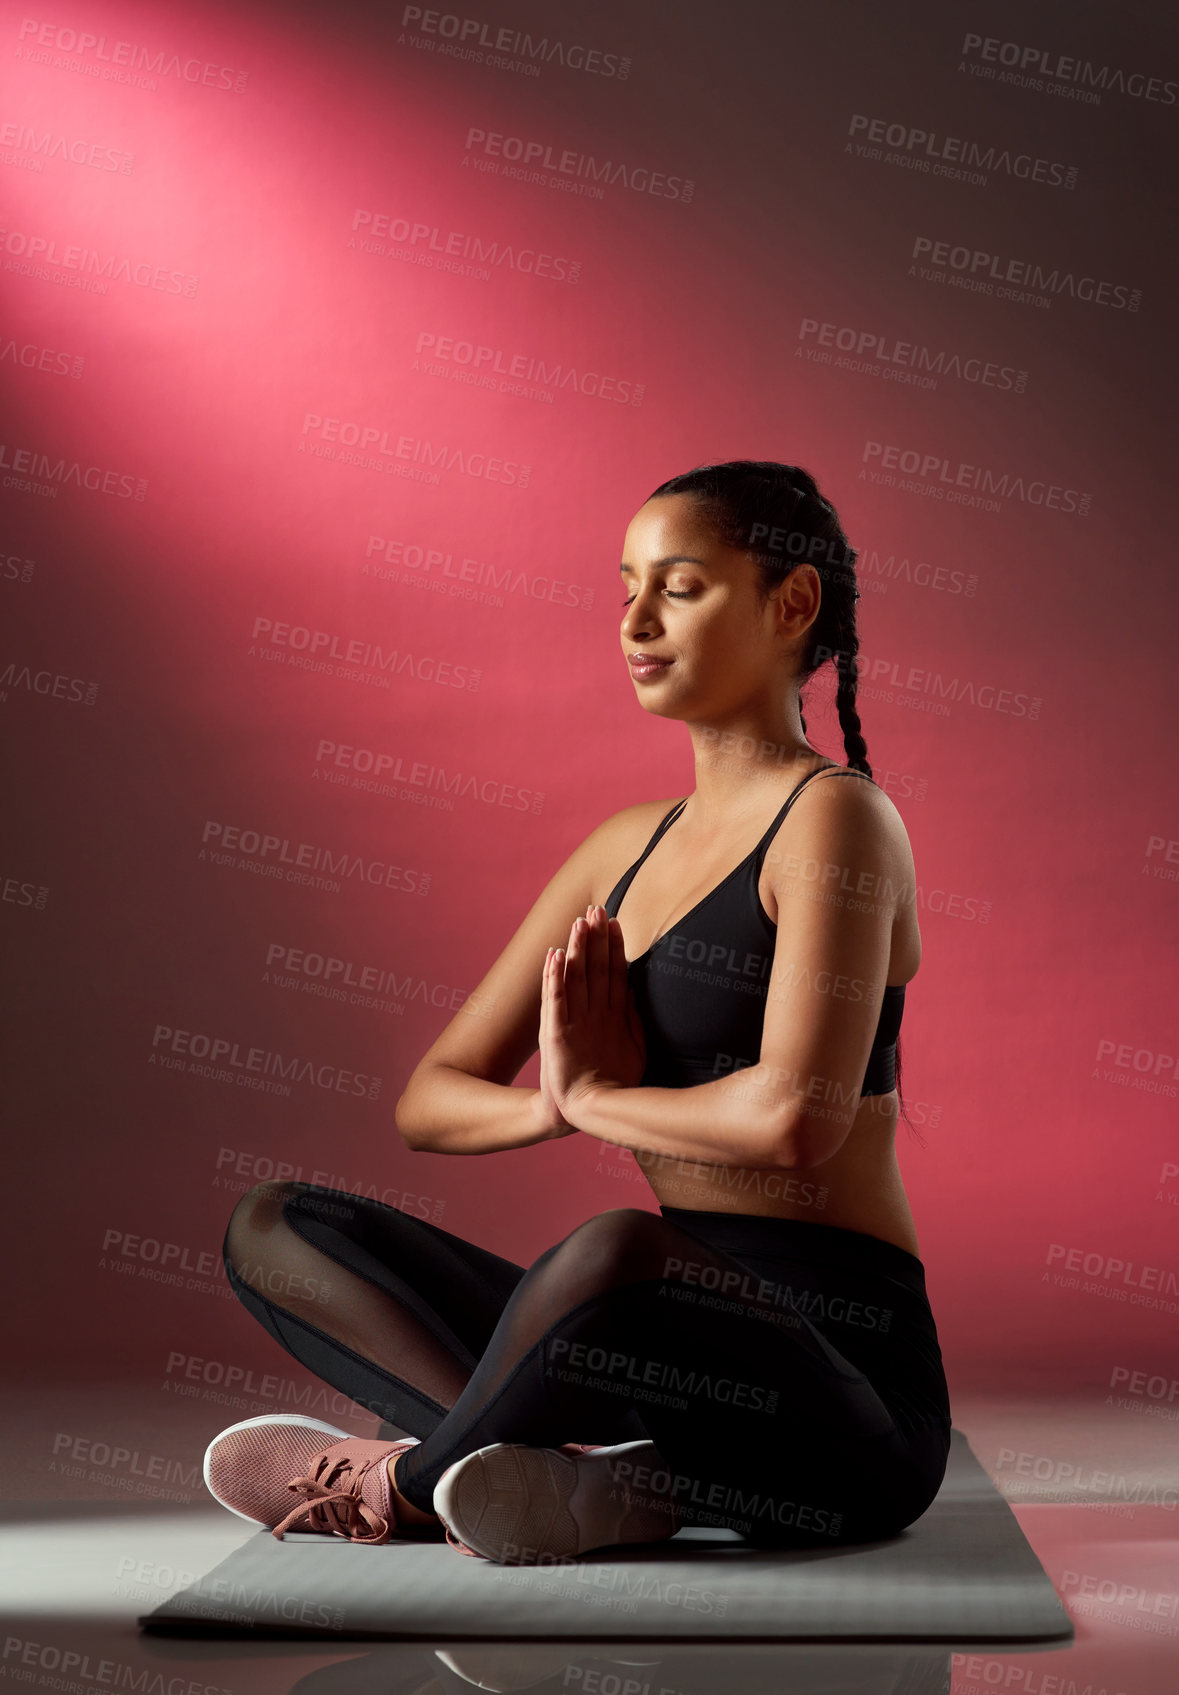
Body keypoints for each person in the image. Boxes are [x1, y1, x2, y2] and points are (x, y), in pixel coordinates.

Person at [202, 459, 952, 1565]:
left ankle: (399, 1485)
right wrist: (558, 1106)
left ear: (790, 604)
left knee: (612, 1250)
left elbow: (797, 1120)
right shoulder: (622, 848)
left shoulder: (836, 820)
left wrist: (601, 1095)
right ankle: (585, 1476)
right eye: (625, 588)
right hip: (651, 1345)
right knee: (278, 1226)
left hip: (847, 1402)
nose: (636, 621)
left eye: (680, 588)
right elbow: (431, 1103)